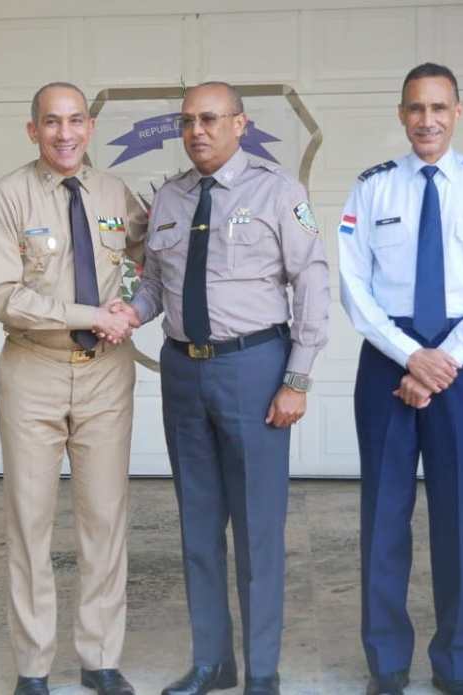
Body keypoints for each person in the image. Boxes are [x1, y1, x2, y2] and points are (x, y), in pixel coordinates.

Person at [114, 81, 329, 695]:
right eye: (187, 122)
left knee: (258, 528)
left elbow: (312, 282)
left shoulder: (277, 191)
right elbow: (155, 285)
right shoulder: (172, 197)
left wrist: (296, 378)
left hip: (253, 368)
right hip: (184, 372)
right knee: (198, 525)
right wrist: (130, 311)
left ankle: (262, 670)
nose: (197, 131)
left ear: (240, 123)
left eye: (210, 119)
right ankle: (212, 661)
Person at [336, 63, 463, 695]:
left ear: (458, 112)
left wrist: (442, 361)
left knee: (460, 517)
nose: (427, 120)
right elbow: (353, 287)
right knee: (384, 516)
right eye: (416, 108)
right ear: (401, 114)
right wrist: (411, 356)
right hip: (389, 358)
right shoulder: (373, 187)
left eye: (439, 108)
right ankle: (387, 665)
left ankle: (455, 667)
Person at [0, 81, 147, 695]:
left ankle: (100, 658)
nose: (65, 133)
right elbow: (3, 297)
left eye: (76, 120)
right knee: (30, 523)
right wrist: (89, 314)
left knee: (105, 518)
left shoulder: (116, 193)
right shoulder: (7, 196)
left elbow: (147, 260)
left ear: (89, 128)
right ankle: (33, 666)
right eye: (52, 122)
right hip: (34, 371)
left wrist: (128, 305)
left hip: (106, 374)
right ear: (33, 130)